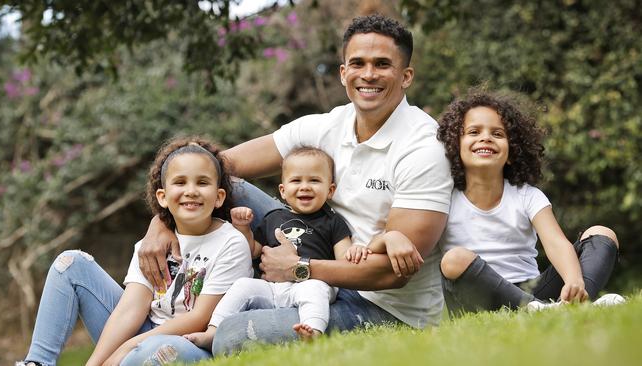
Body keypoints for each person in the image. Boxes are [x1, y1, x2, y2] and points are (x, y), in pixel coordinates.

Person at [137, 14, 453, 357]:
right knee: (225, 184)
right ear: (343, 72)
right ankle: (187, 305)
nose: (368, 74)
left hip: (382, 307)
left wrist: (299, 269)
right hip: (307, 263)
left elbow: (394, 273)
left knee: (235, 335)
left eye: (382, 64)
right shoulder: (329, 125)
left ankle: (187, 346)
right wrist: (162, 220)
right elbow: (216, 165)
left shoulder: (423, 148)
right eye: (358, 63)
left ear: (406, 76)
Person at [16, 137, 253, 366]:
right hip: (143, 334)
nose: (191, 191)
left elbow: (199, 319)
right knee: (70, 264)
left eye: (202, 183)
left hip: (192, 344)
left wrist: (127, 348)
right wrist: (96, 362)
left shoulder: (230, 243)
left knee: (160, 352)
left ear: (219, 196)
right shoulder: (152, 245)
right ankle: (37, 363)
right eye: (180, 183)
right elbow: (130, 309)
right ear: (162, 196)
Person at [435, 91, 622, 316]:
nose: (486, 138)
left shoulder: (527, 195)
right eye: (474, 132)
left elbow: (556, 244)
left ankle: (577, 303)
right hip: (477, 299)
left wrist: (574, 280)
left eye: (497, 133)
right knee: (454, 259)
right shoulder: (443, 197)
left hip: (535, 293)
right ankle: (535, 310)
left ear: (512, 151)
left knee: (602, 233)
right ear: (455, 146)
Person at [184, 147, 356, 351]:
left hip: (312, 282)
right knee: (242, 285)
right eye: (296, 181)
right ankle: (212, 332)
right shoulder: (273, 218)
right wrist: (243, 228)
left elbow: (344, 262)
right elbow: (254, 251)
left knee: (314, 290)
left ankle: (313, 331)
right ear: (283, 190)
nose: (305, 187)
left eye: (314, 181)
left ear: (330, 190)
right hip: (274, 288)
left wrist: (355, 251)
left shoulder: (333, 222)